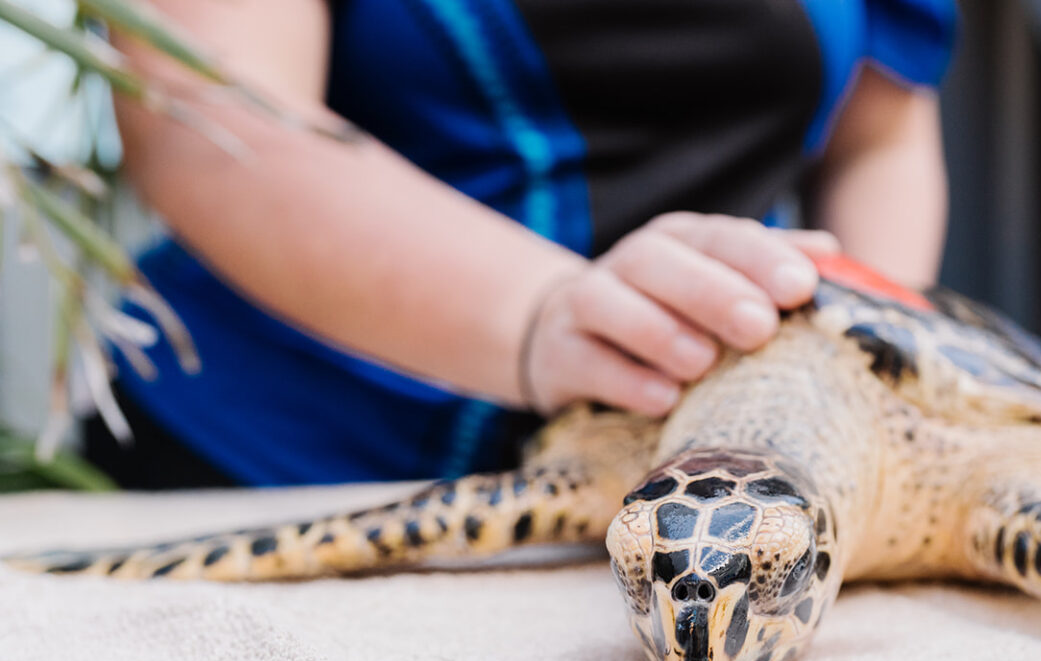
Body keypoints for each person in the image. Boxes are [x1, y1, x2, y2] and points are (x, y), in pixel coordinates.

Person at [92, 0, 955, 488]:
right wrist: (545, 316)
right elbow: (205, 117)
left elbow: (879, 140)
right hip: (286, 469)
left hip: (689, 480)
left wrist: (864, 377)